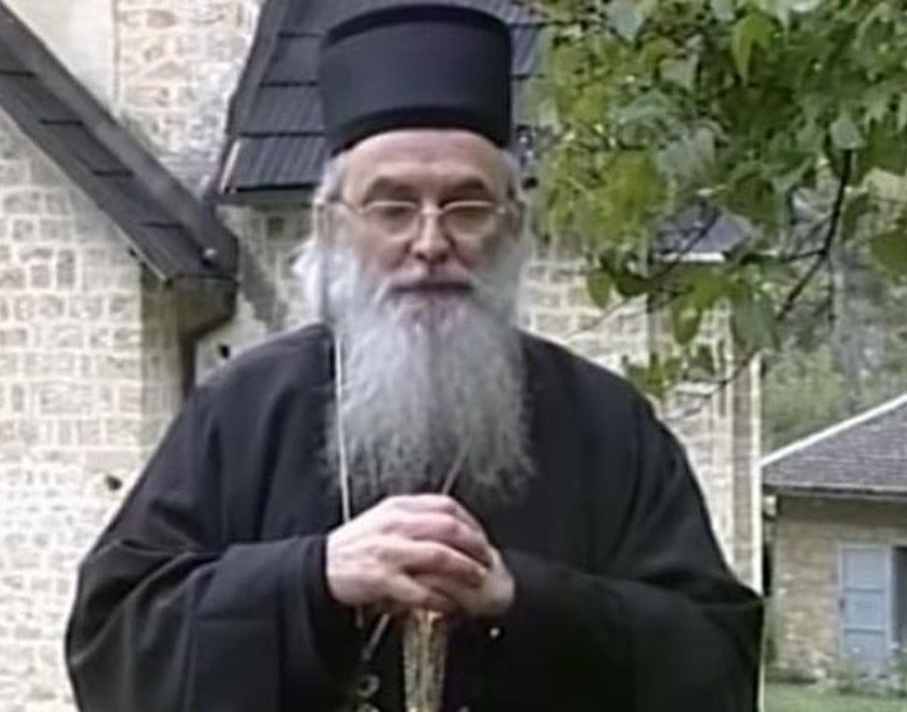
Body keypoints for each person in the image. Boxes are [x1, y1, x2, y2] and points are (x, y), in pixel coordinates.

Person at [64, 5, 763, 711]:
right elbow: (113, 643)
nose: (430, 243)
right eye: (393, 206)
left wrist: (523, 598)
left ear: (513, 226)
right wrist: (313, 578)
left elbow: (717, 661)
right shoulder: (243, 410)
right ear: (332, 226)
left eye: (466, 206)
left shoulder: (607, 426)